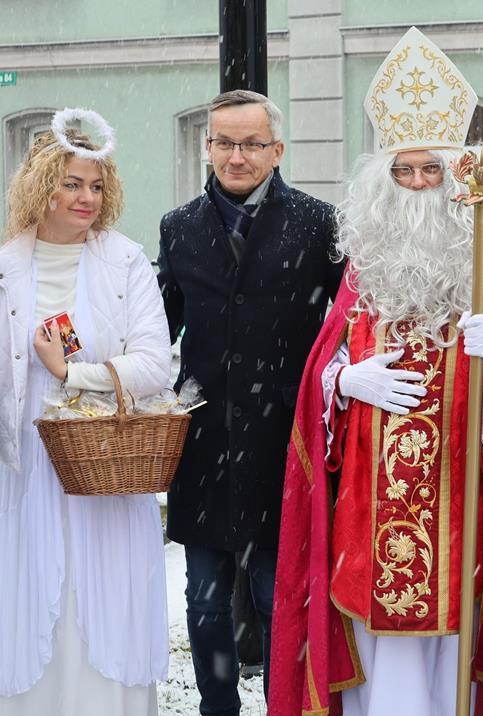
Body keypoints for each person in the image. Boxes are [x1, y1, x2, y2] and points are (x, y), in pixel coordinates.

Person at [269, 27, 483, 716]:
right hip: (367, 508)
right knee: (384, 655)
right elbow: (323, 366)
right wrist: (343, 382)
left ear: (452, 177)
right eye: (402, 172)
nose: (415, 185)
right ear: (383, 182)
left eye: (429, 171)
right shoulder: (363, 269)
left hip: (461, 499)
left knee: (454, 644)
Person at [157, 89, 341, 716]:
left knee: (277, 596)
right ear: (208, 146)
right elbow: (155, 329)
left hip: (285, 445)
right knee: (205, 602)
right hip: (204, 449)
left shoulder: (320, 224)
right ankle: (217, 708)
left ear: (277, 149)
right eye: (224, 143)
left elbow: (348, 325)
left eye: (252, 143)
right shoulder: (179, 227)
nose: (237, 156)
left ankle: (284, 707)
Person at [0, 112, 171, 714]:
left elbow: (154, 366)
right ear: (42, 186)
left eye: (95, 185)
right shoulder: (0, 270)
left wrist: (73, 375)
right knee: (39, 593)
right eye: (71, 183)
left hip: (108, 462)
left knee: (106, 597)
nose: (86, 197)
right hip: (30, 466)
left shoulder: (125, 263)